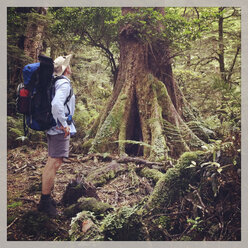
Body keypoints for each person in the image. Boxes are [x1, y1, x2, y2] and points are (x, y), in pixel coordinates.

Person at [37, 54, 76, 217]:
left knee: (53, 161)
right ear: (66, 69)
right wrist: (64, 125)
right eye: (69, 65)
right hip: (59, 128)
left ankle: (46, 198)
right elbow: (56, 105)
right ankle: (45, 202)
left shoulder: (56, 82)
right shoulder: (64, 84)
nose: (71, 67)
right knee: (54, 162)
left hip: (53, 127)